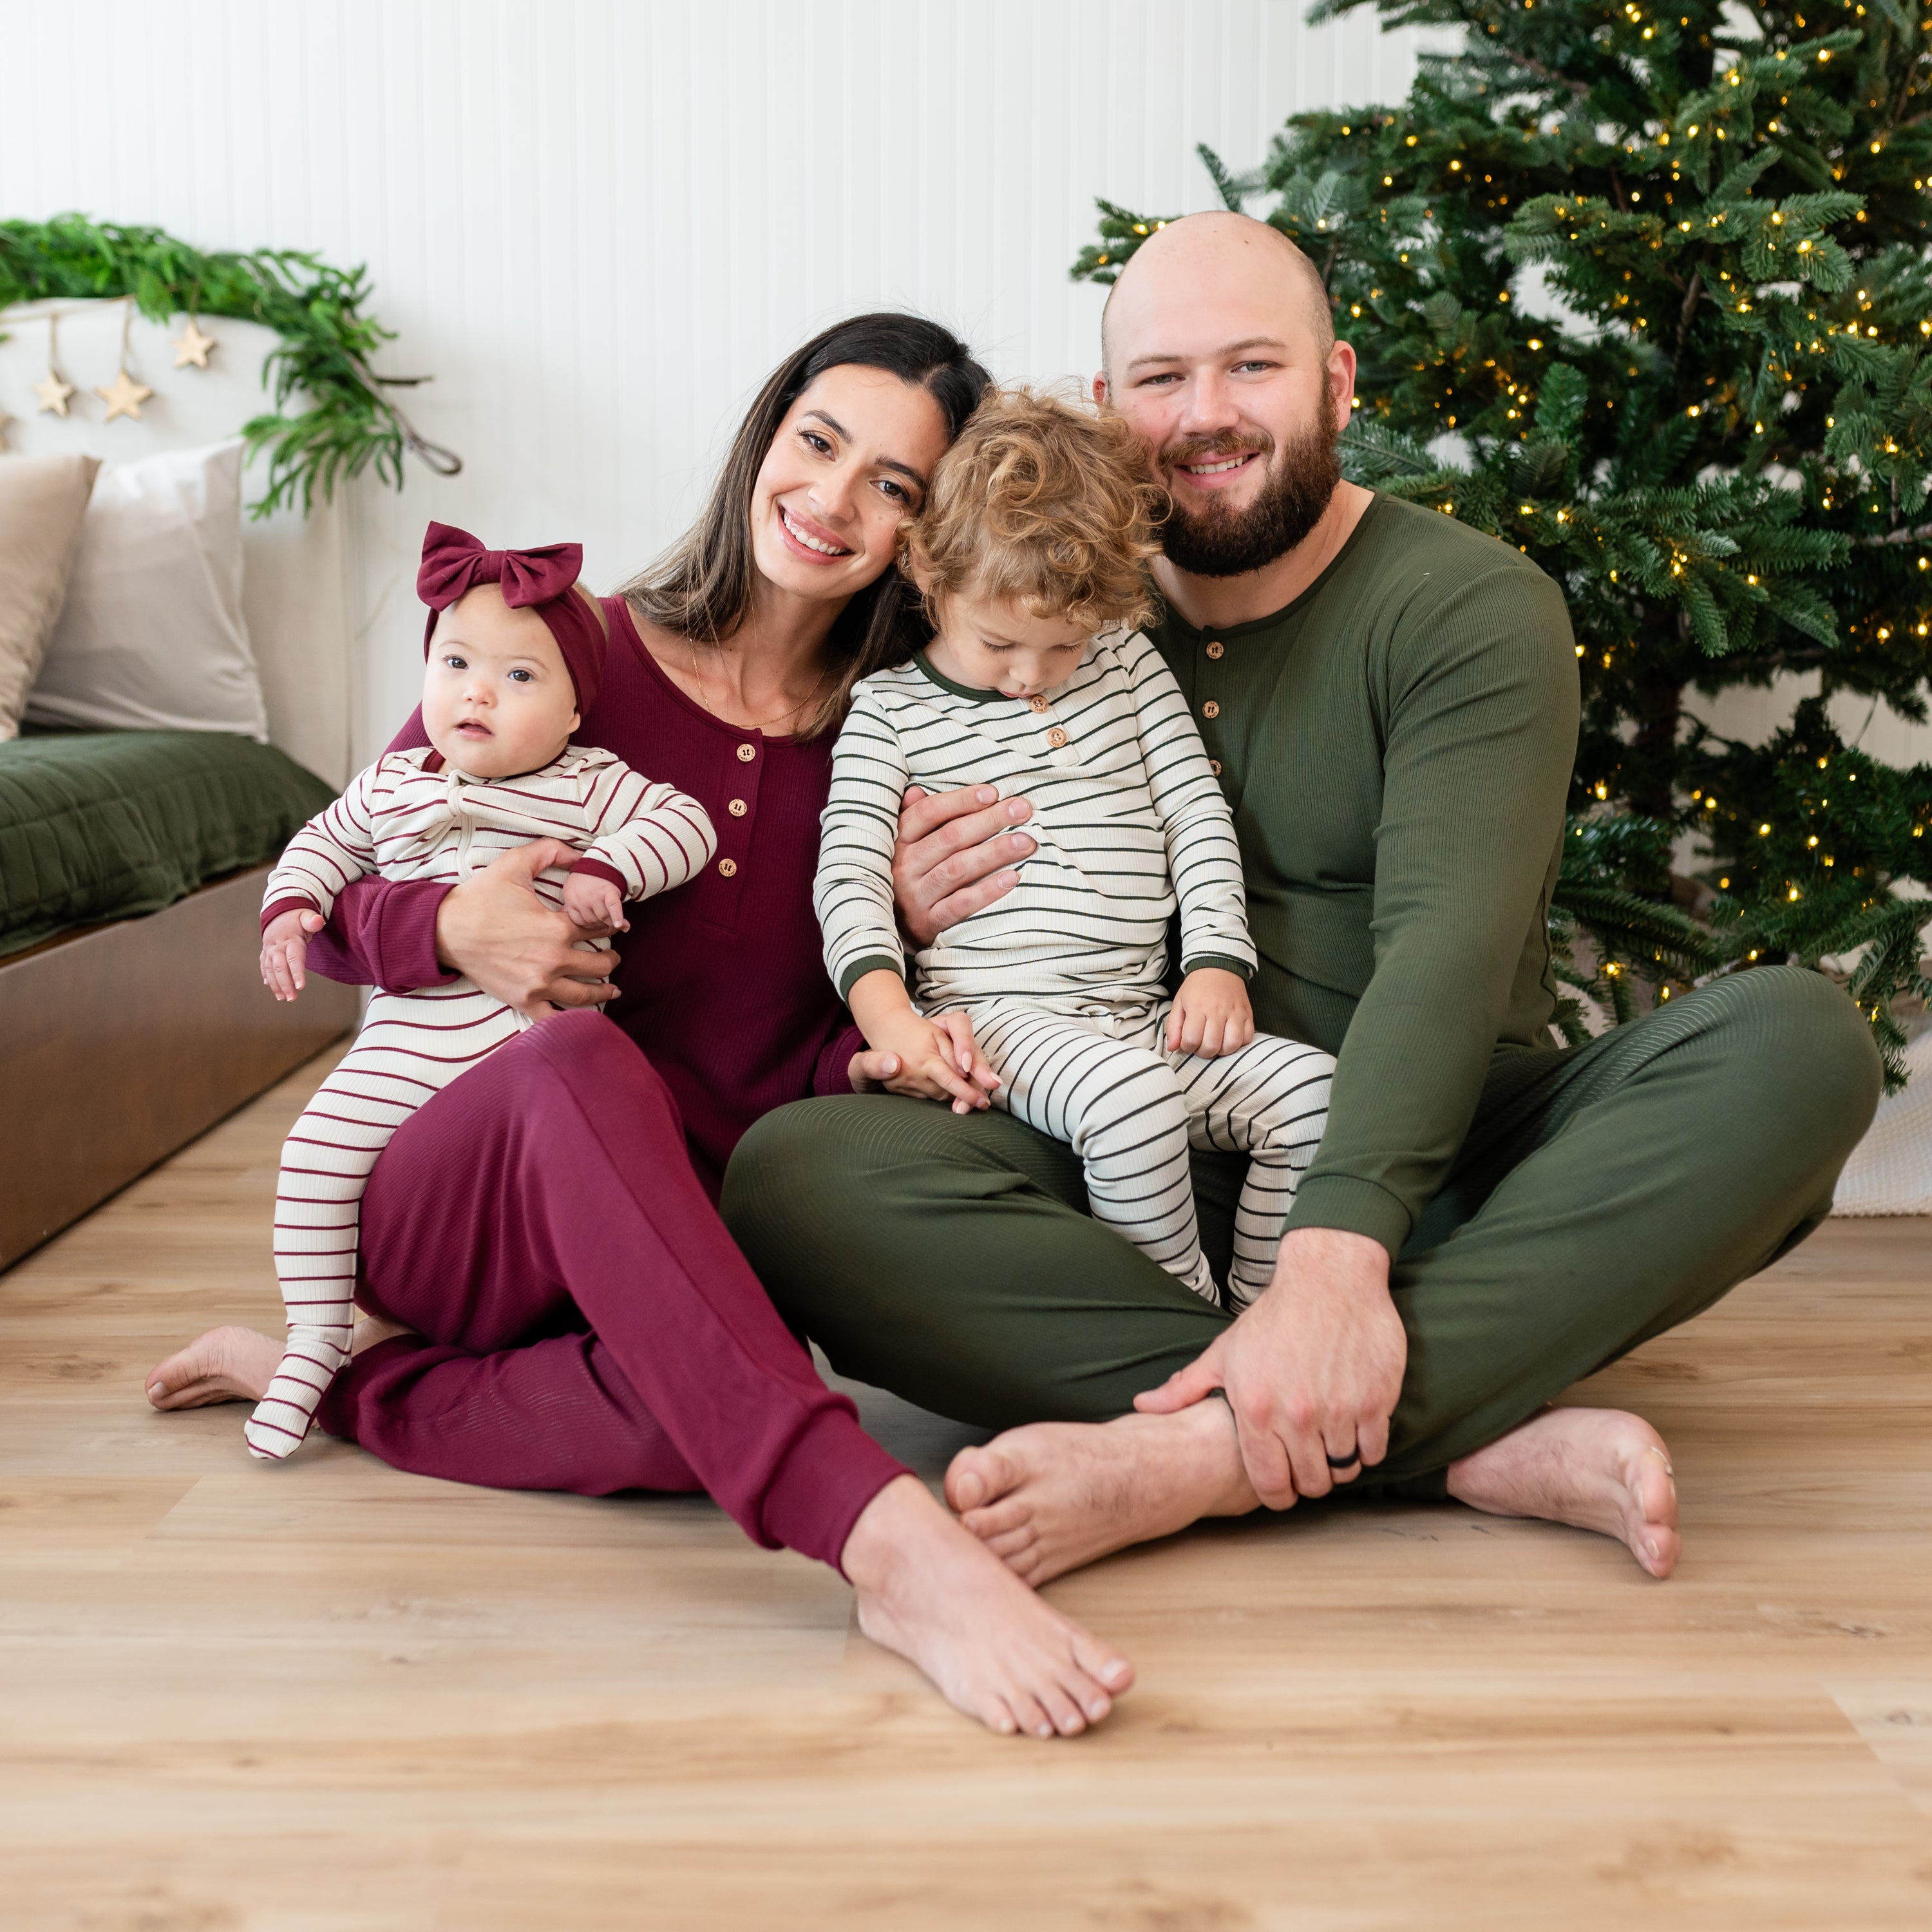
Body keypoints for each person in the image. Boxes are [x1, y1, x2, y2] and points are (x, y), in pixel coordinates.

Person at [723, 216, 1884, 1589]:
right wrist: (915, 927)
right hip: (1118, 1155)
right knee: (797, 1180)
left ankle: (1197, 1453)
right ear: (1108, 410)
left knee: (1799, 1047)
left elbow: (1445, 954)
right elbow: (891, 835)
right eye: (1161, 378)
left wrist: (1337, 1257)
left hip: (1435, 1160)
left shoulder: (1469, 606)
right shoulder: (1057, 602)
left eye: (1253, 367)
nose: (1206, 417)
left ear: (1338, 383)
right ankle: (1448, 1435)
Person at [146, 314, 1135, 1742]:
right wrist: (444, 933)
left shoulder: (893, 741)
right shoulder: (566, 648)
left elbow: (775, 1054)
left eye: (896, 485)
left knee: (706, 1408)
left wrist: (886, 997)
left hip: (675, 1236)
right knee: (578, 1059)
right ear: (763, 440)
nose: (836, 500)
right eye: (818, 443)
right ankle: (889, 1550)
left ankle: (348, 1383)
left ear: (925, 533)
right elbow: (344, 878)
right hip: (461, 1193)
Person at [817, 387, 1333, 1307]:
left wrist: (1217, 964)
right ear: (932, 579)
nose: (1032, 676)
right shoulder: (888, 714)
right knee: (1130, 1103)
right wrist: (891, 1019)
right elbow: (851, 878)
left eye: (1063, 647)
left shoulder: (1127, 662)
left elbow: (1195, 818)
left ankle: (1268, 1313)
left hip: (1145, 1011)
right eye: (1001, 642)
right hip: (1006, 1022)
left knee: (1317, 1095)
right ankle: (1180, 1326)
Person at [248, 524, 717, 1460]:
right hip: (400, 1047)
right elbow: (321, 844)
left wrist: (611, 868)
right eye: (457, 662)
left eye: (519, 677)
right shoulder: (392, 783)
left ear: (578, 710)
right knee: (312, 1157)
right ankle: (312, 1339)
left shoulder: (591, 785)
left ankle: (584, 1351)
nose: (477, 692)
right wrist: (289, 907)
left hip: (522, 1056)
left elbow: (688, 824)